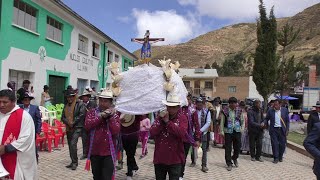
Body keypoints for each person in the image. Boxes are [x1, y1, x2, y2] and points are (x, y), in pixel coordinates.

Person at [0, 89, 37, 179]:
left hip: (16, 159)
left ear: (13, 102)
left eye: (5, 102)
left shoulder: (24, 117)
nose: (1, 105)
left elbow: (27, 139)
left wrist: (6, 148)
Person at [85, 89, 120, 180]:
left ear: (110, 103)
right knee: (96, 177)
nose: (102, 103)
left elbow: (116, 131)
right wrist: (100, 117)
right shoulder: (92, 112)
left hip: (108, 153)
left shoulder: (115, 115)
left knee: (107, 177)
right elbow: (87, 126)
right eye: (101, 100)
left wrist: (110, 117)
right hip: (94, 151)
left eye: (105, 101)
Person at [150, 94, 188, 180]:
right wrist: (161, 120)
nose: (171, 109)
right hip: (160, 158)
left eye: (173, 107)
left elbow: (181, 133)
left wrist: (168, 122)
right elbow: (152, 132)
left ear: (178, 107)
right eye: (169, 106)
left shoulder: (182, 118)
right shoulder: (160, 118)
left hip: (175, 159)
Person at [61, 90, 85, 170]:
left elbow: (81, 114)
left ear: (74, 96)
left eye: (71, 96)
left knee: (73, 144)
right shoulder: (66, 105)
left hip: (77, 127)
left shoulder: (80, 104)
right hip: (68, 127)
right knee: (70, 146)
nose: (69, 98)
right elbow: (62, 117)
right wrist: (68, 122)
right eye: (68, 97)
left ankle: (75, 163)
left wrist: (73, 123)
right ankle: (72, 161)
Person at [180, 94, 201, 180]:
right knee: (176, 156)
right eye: (185, 99)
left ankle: (180, 174)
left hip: (187, 138)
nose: (186, 101)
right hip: (177, 137)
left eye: (188, 99)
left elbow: (196, 125)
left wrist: (197, 139)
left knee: (183, 157)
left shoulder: (192, 111)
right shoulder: (178, 109)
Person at [220, 97, 244, 171]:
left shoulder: (239, 110)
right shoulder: (225, 111)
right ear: (229, 104)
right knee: (228, 148)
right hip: (228, 132)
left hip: (237, 131)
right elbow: (222, 121)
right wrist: (221, 131)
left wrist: (242, 129)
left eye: (235, 103)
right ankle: (229, 163)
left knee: (238, 147)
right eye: (232, 103)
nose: (233, 105)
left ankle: (234, 158)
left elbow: (242, 121)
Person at [263, 99, 290, 163]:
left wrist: (287, 129)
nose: (275, 106)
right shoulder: (270, 111)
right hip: (274, 130)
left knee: (282, 144)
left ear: (280, 104)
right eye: (274, 105)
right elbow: (266, 119)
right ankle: (276, 158)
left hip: (282, 130)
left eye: (276, 105)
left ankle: (280, 156)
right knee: (274, 144)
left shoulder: (285, 110)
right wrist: (264, 124)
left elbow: (287, 121)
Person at [190, 97, 211, 173]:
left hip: (203, 132)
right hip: (193, 132)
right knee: (193, 148)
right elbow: (190, 121)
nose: (199, 105)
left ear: (203, 104)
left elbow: (208, 122)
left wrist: (200, 130)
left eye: (201, 104)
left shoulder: (207, 111)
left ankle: (204, 165)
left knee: (204, 149)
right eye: (198, 104)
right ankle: (193, 161)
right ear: (196, 104)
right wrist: (194, 131)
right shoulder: (192, 111)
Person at [19, 93, 42, 162]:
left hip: (32, 131)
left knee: (32, 145)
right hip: (22, 131)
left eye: (28, 100)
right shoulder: (19, 108)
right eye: (25, 100)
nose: (26, 101)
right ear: (22, 101)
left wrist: (38, 130)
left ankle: (35, 159)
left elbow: (38, 120)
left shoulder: (35, 108)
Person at [120, 114, 142, 180]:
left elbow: (142, 117)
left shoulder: (136, 110)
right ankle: (134, 166)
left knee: (130, 154)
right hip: (123, 134)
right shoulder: (121, 107)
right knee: (128, 153)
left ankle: (129, 173)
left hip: (133, 135)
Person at [79, 90, 97, 160]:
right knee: (84, 140)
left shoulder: (93, 103)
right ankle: (85, 153)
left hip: (92, 125)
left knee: (92, 139)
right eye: (83, 97)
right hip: (83, 125)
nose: (84, 98)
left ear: (88, 97)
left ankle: (92, 153)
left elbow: (97, 113)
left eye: (86, 96)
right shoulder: (81, 104)